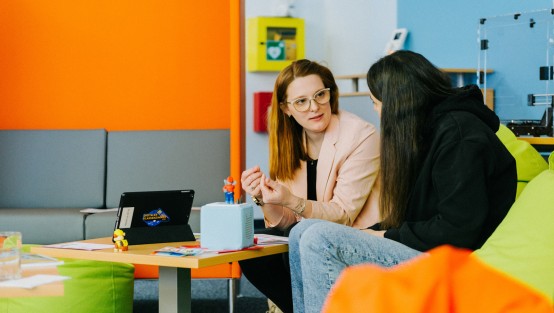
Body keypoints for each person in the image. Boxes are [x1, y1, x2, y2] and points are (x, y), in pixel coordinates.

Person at [288, 50, 517, 313]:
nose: (376, 111)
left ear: (397, 102)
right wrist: (374, 231)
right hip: (430, 250)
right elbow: (414, 215)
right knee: (302, 232)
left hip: (455, 262)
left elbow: (458, 231)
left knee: (319, 238)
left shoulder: (459, 136)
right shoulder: (426, 132)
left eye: (376, 102)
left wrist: (385, 234)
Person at [240, 59, 381, 313]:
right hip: (305, 234)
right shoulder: (289, 141)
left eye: (320, 95)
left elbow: (342, 215)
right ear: (286, 109)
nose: (314, 107)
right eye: (301, 101)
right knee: (252, 256)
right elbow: (285, 220)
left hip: (358, 236)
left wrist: (291, 201)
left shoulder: (361, 135)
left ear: (330, 94)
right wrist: (264, 197)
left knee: (298, 237)